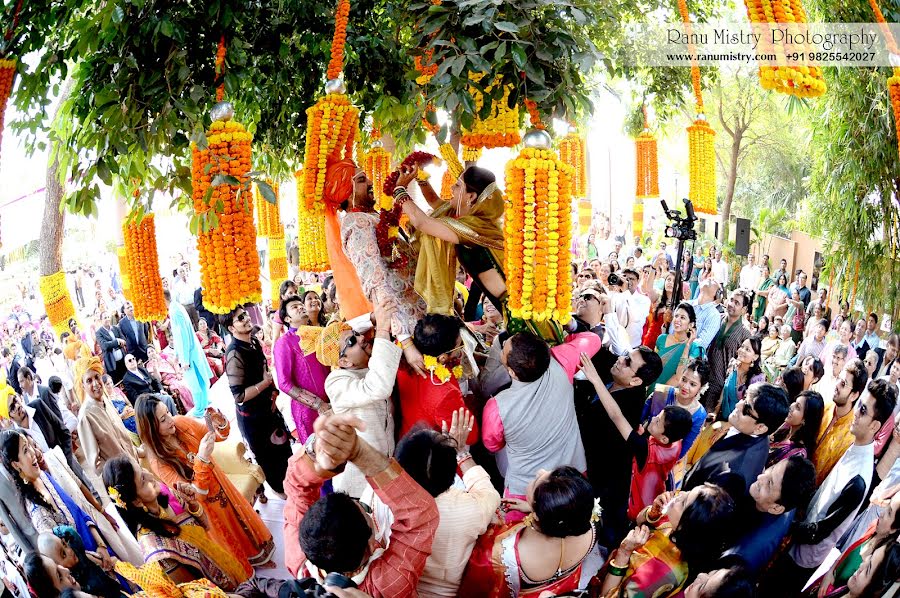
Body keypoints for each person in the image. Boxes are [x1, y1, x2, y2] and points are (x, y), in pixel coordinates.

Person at [282, 412, 439, 595]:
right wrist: (358, 452)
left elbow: (296, 486)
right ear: (372, 544)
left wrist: (319, 454)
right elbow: (420, 513)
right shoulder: (386, 585)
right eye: (366, 510)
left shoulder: (299, 563)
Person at [766, 378, 897, 594]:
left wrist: (781, 522)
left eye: (863, 410)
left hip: (802, 561)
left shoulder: (859, 479)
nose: (855, 413)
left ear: (875, 425)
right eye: (858, 406)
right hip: (795, 544)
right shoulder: (854, 449)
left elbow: (818, 532)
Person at [135, 394, 275, 567]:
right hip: (206, 507)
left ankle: (260, 559)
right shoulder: (158, 461)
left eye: (167, 413)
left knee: (241, 519)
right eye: (163, 419)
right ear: (152, 429)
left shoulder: (180, 423)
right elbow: (192, 494)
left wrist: (219, 423)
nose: (170, 420)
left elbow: (216, 436)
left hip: (221, 484)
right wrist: (201, 458)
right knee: (230, 539)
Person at [483, 332, 593, 515]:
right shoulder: (562, 361)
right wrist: (570, 329)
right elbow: (593, 339)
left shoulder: (497, 407)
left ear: (511, 372)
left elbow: (492, 444)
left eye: (504, 349)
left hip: (525, 491)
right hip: (571, 479)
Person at [102, 455, 252, 590]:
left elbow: (205, 527)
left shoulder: (167, 496)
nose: (148, 474)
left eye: (141, 468)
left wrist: (193, 504)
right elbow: (194, 589)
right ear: (135, 501)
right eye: (142, 479)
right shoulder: (156, 549)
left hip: (226, 566)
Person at [394, 411, 500, 597]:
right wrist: (461, 453)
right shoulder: (469, 508)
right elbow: (489, 493)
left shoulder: (382, 497)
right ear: (452, 474)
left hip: (397, 589)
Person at [0, 430, 142, 566]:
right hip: (90, 566)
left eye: (30, 446)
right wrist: (100, 560)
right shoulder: (36, 510)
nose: (33, 453)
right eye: (25, 450)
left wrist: (101, 546)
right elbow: (63, 554)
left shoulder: (44, 477)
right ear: (16, 464)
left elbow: (79, 512)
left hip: (99, 545)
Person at [458, 466, 600, 598]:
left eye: (535, 482)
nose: (541, 471)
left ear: (538, 515)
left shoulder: (501, 556)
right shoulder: (591, 520)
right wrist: (533, 508)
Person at [580, 352, 691, 520]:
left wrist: (595, 380)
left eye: (658, 422)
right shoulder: (671, 445)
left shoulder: (642, 447)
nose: (652, 418)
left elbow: (616, 416)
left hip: (631, 503)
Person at [575, 341, 663, 546]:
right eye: (625, 355)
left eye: (628, 362)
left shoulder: (629, 406)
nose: (620, 360)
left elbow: (612, 416)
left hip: (595, 477)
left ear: (635, 381)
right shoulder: (613, 373)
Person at [600, 483, 737, 597]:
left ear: (688, 527)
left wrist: (624, 553)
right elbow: (638, 520)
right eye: (688, 491)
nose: (680, 494)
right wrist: (652, 512)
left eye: (683, 502)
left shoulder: (663, 572)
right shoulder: (675, 523)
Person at [221, 305, 292, 497]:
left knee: (284, 451)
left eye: (245, 315)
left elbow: (263, 368)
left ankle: (293, 487)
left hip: (268, 410)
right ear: (231, 328)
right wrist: (264, 383)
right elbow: (239, 396)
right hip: (254, 420)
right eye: (240, 318)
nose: (246, 319)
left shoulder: (252, 340)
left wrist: (272, 389)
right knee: (271, 460)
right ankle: (284, 494)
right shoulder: (234, 354)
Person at [682, 383, 790, 492]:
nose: (738, 405)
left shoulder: (733, 474)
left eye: (746, 408)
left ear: (760, 428)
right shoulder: (756, 435)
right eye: (744, 397)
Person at [723, 456, 817, 574]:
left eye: (769, 483)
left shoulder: (742, 554)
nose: (760, 477)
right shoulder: (786, 499)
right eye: (772, 468)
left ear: (776, 508)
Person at [396, 314, 478, 445]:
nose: (462, 348)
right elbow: (470, 435)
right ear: (443, 358)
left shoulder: (404, 358)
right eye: (459, 344)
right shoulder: (446, 393)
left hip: (408, 440)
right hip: (434, 455)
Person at [0, 389, 95, 497]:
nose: (17, 406)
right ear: (9, 418)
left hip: (68, 462)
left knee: (92, 495)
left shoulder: (38, 406)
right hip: (52, 482)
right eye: (12, 407)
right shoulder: (17, 437)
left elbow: (64, 432)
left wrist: (66, 461)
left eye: (15, 400)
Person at [74, 357, 142, 497]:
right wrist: (118, 475)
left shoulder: (106, 400)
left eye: (97, 377)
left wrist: (137, 453)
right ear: (83, 386)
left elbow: (121, 436)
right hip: (122, 479)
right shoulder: (85, 416)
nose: (95, 384)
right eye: (89, 380)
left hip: (136, 465)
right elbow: (96, 464)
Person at [812, 490, 900, 596]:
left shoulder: (881, 559)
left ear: (895, 529)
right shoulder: (873, 527)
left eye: (889, 513)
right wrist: (830, 572)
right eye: (887, 505)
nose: (881, 513)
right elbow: (846, 554)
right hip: (824, 584)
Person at [274, 295, 331, 443]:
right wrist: (318, 404)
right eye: (294, 307)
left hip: (331, 401)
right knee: (322, 457)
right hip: (309, 411)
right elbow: (284, 383)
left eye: (301, 305)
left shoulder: (318, 332)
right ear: (287, 319)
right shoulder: (284, 342)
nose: (301, 307)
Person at [814, 358, 869, 485]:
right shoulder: (824, 408)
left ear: (854, 395)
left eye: (843, 384)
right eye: (839, 379)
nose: (837, 385)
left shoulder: (851, 437)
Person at [162, 290, 212, 416]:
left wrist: (184, 359)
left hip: (189, 352)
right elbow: (179, 336)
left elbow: (183, 335)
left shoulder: (175, 310)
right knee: (198, 378)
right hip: (189, 351)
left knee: (195, 381)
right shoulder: (176, 307)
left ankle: (201, 408)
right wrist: (178, 355)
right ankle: (204, 402)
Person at [703, 291, 752, 412]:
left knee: (706, 419)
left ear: (744, 309)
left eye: (737, 303)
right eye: (731, 300)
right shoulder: (716, 319)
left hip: (720, 384)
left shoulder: (745, 333)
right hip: (702, 376)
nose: (731, 304)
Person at [768, 390, 826, 467]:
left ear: (805, 420)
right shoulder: (786, 426)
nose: (791, 406)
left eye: (798, 407)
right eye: (795, 402)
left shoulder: (797, 455)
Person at [654, 302, 703, 389]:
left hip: (669, 393)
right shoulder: (662, 339)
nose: (677, 320)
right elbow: (652, 365)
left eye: (682, 318)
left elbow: (680, 376)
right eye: (676, 316)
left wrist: (687, 345)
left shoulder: (694, 348)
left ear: (691, 324)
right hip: (651, 385)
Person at [716, 336, 765, 420]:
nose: (742, 350)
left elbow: (750, 410)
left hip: (739, 423)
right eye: (742, 346)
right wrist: (715, 411)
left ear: (755, 357)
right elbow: (725, 389)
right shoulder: (733, 364)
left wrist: (728, 425)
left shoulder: (758, 379)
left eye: (747, 349)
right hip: (723, 416)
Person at [144, 344, 194, 414]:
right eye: (149, 353)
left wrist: (178, 373)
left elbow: (174, 363)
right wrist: (155, 368)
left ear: (155, 351)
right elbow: (158, 379)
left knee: (190, 380)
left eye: (152, 351)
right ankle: (192, 407)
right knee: (182, 386)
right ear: (147, 355)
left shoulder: (162, 356)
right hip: (168, 380)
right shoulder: (149, 365)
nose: (151, 353)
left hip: (176, 375)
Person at [686, 278, 726, 352]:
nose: (710, 278)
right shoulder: (685, 304)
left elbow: (701, 343)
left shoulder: (714, 315)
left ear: (717, 294)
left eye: (714, 281)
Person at [94, 313, 126, 384]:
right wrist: (117, 341)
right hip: (112, 364)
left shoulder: (116, 328)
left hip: (123, 360)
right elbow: (104, 346)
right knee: (118, 383)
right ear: (101, 320)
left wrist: (113, 344)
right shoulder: (99, 333)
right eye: (105, 317)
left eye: (108, 317)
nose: (107, 319)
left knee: (127, 380)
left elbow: (123, 340)